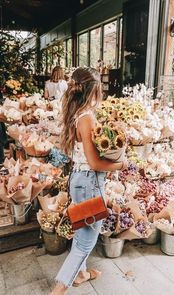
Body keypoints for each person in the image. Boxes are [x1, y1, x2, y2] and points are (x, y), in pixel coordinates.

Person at [50, 67, 128, 295]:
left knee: (81, 229)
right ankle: (58, 291)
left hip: (79, 181)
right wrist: (121, 164)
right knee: (85, 242)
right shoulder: (87, 118)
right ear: (93, 89)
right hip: (90, 183)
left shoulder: (77, 113)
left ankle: (81, 274)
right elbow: (95, 164)